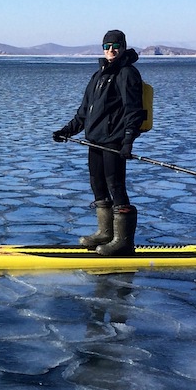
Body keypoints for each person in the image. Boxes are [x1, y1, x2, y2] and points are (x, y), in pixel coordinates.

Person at [51, 30, 146, 256]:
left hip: (114, 141)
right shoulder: (98, 75)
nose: (110, 50)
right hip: (94, 141)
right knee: (98, 185)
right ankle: (106, 233)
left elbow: (134, 111)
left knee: (116, 186)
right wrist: (67, 131)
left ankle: (123, 241)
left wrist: (128, 141)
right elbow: (84, 113)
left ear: (123, 46)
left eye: (115, 45)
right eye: (106, 46)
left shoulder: (127, 73)